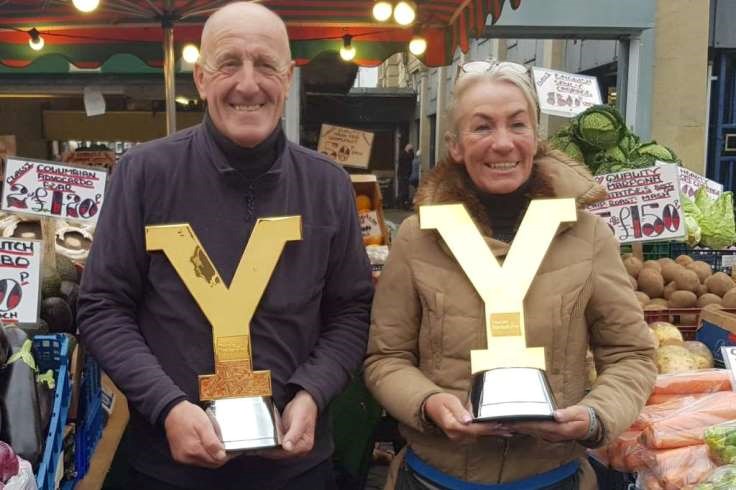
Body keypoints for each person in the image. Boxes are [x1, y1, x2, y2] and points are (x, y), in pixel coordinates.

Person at [77, 3, 373, 489]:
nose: (248, 84)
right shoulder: (144, 174)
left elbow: (350, 311)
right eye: (229, 63)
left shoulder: (329, 184)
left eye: (266, 65)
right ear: (200, 78)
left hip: (295, 467)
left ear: (289, 78)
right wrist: (166, 405)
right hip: (167, 468)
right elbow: (103, 306)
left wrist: (312, 393)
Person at [363, 59, 656, 490]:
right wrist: (428, 404)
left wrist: (596, 416)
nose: (503, 143)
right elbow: (385, 358)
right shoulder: (415, 237)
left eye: (517, 125)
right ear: (456, 145)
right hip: (434, 479)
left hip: (553, 479)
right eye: (482, 127)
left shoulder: (589, 235)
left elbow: (631, 355)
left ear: (536, 139)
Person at [397, 143, 414, 209]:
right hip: (402, 174)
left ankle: (404, 203)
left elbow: (412, 157)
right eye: (410, 149)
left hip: (406, 174)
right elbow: (402, 159)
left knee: (406, 190)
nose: (411, 150)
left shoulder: (409, 155)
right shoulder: (403, 154)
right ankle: (400, 204)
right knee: (402, 189)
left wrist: (410, 151)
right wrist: (407, 150)